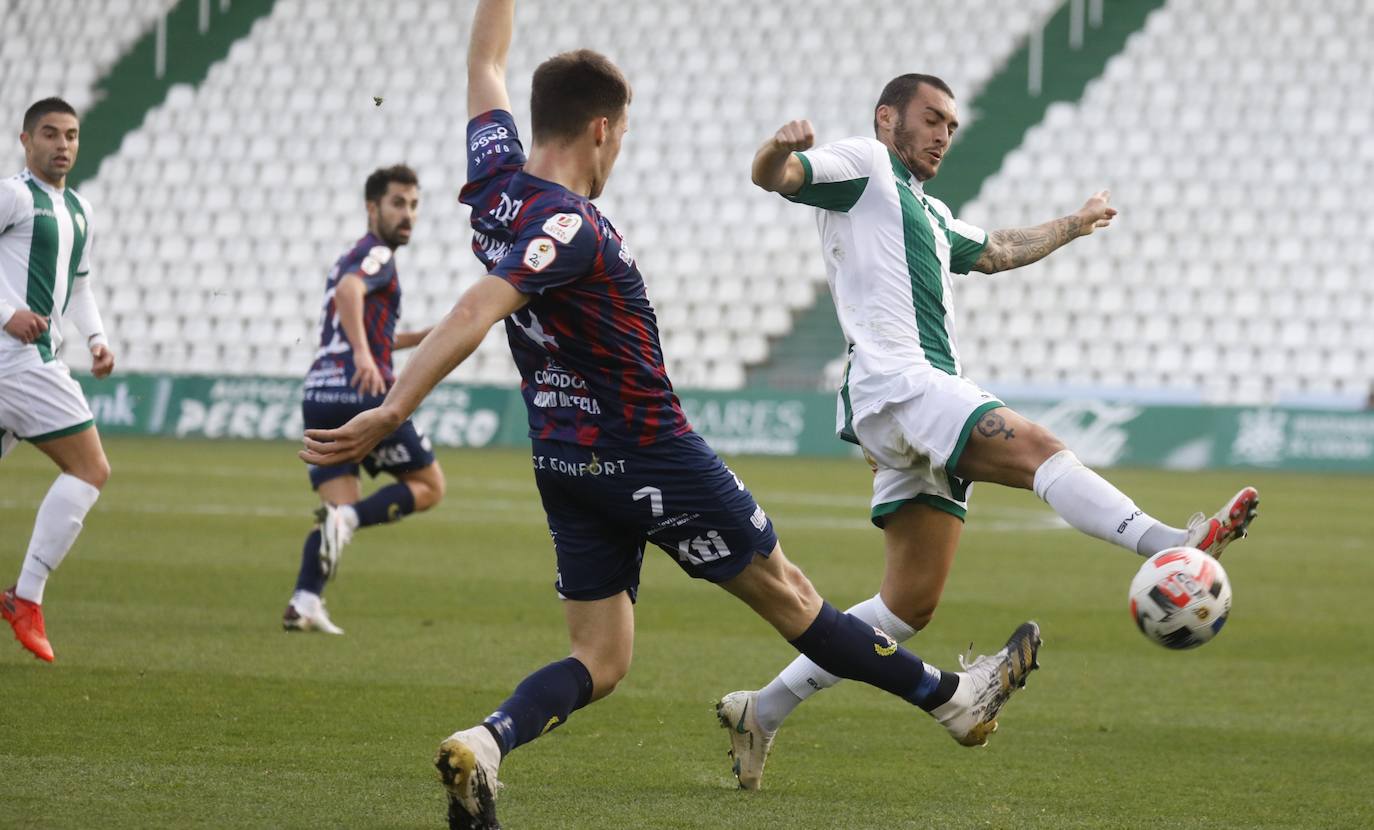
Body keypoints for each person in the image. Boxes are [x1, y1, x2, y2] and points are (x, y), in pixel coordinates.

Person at [300, 4, 1040, 827]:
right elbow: (478, 309)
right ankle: (953, 700)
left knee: (601, 657)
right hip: (651, 452)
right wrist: (394, 405)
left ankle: (486, 742)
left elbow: (486, 64)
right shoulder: (567, 225)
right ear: (604, 130)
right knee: (793, 597)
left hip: (564, 461)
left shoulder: (494, 188)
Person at [715, 74, 1261, 789]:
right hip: (903, 383)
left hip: (904, 402)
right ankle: (1172, 544)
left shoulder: (928, 213)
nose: (945, 133)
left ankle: (763, 708)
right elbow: (780, 177)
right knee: (1038, 449)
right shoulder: (866, 165)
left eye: (953, 125)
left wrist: (1074, 222)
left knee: (908, 605)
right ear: (888, 120)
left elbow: (998, 248)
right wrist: (775, 152)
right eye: (932, 119)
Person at [284, 165, 443, 634]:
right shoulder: (375, 256)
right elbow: (350, 291)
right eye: (398, 203)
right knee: (430, 486)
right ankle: (351, 520)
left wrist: (435, 334)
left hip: (320, 392)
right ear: (372, 208)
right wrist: (361, 355)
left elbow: (377, 334)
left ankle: (305, 600)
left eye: (413, 205)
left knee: (334, 512)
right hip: (363, 394)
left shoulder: (352, 254)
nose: (408, 214)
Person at [0, 97, 115, 663]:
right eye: (50, 134)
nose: (63, 144)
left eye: (71, 135)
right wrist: (6, 313)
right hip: (16, 359)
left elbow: (82, 284)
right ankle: (27, 597)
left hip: (30, 359)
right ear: (27, 140)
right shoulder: (12, 195)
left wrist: (95, 339)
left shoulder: (80, 211)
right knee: (90, 466)